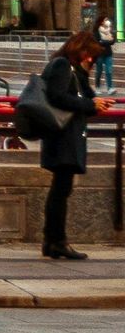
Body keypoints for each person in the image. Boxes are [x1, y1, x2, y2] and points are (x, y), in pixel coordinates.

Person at [38, 30, 114, 260]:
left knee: (61, 189)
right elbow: (58, 97)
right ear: (79, 49)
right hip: (62, 138)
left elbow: (85, 95)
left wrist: (88, 84)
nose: (91, 59)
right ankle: (57, 241)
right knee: (60, 190)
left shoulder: (71, 68)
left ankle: (51, 241)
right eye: (89, 55)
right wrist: (91, 105)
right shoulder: (61, 65)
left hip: (64, 137)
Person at [96, 18, 116, 92]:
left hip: (108, 54)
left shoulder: (109, 30)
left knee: (109, 71)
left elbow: (113, 41)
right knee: (99, 71)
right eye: (103, 20)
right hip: (99, 54)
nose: (105, 22)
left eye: (105, 20)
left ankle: (110, 88)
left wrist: (104, 41)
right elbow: (98, 42)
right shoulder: (97, 31)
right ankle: (97, 87)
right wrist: (107, 41)